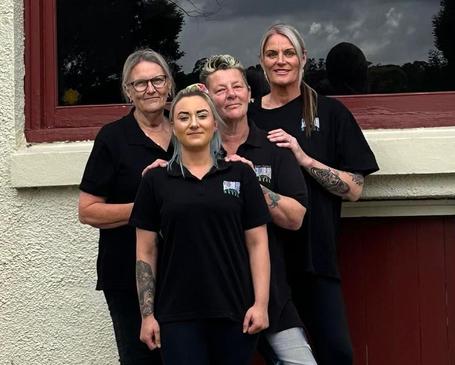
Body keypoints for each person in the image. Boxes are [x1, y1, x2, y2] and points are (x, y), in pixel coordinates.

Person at [248, 24, 379, 365]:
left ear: (303, 58)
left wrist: (303, 158)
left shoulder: (330, 113)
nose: (281, 60)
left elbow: (354, 189)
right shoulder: (247, 117)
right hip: (261, 262)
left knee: (335, 352)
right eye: (272, 54)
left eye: (289, 53)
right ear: (261, 61)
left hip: (315, 257)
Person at [130, 83, 271, 365]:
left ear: (215, 124)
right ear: (173, 127)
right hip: (176, 315)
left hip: (234, 310)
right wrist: (147, 316)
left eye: (202, 115)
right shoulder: (155, 181)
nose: (194, 123)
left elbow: (257, 244)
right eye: (184, 117)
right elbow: (145, 251)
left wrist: (261, 304)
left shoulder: (241, 174)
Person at [199, 54, 317, 364]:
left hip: (271, 293)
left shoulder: (273, 149)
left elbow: (295, 218)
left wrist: (253, 185)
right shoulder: (192, 152)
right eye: (221, 89)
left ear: (250, 94)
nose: (232, 94)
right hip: (212, 294)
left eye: (237, 86)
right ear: (207, 97)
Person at [78, 48, 175, 365]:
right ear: (128, 91)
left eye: (158, 80)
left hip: (183, 270)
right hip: (126, 273)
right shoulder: (113, 138)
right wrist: (145, 210)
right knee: (140, 359)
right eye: (140, 83)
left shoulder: (187, 128)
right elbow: (88, 210)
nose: (151, 89)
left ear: (169, 84)